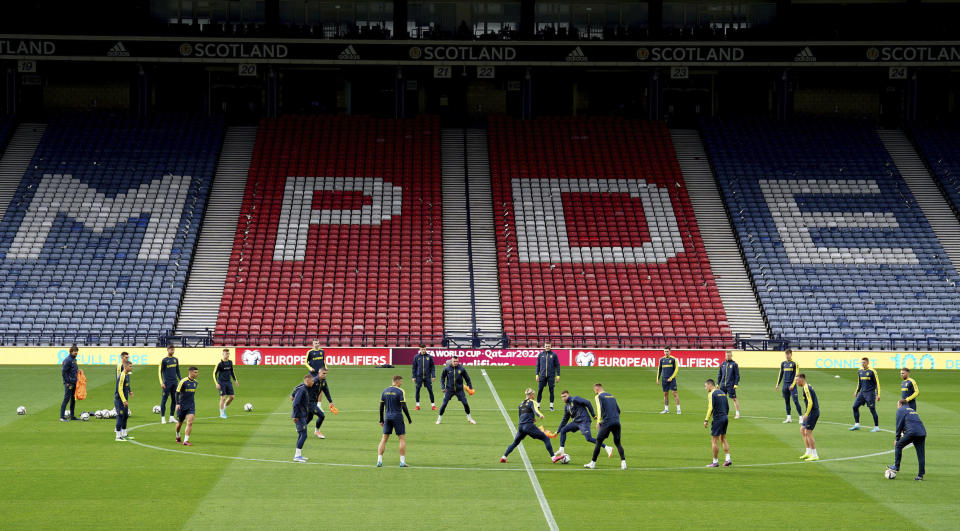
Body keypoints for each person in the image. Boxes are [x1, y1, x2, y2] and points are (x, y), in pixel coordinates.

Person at [500, 388, 556, 463]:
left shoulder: (520, 404)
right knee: (546, 438)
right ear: (531, 395)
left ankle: (504, 457)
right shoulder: (532, 402)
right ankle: (553, 457)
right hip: (528, 426)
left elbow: (521, 416)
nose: (534, 396)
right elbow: (535, 410)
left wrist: (532, 418)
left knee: (515, 443)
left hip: (521, 426)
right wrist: (540, 415)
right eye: (533, 394)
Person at [555, 390, 612, 459]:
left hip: (584, 421)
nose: (563, 398)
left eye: (565, 396)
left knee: (589, 438)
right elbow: (564, 420)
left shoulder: (575, 399)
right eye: (562, 397)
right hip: (576, 422)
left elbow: (588, 403)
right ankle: (561, 450)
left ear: (568, 395)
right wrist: (557, 431)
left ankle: (607, 447)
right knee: (563, 430)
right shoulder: (567, 406)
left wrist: (593, 415)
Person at [584, 383, 627, 470]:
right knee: (618, 442)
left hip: (607, 422)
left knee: (598, 442)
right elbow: (618, 410)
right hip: (616, 422)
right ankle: (623, 463)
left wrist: (598, 422)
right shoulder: (612, 396)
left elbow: (599, 409)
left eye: (594, 391)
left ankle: (592, 463)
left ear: (596, 389)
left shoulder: (598, 396)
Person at [378, 374, 413, 467]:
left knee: (384, 439)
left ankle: (379, 461)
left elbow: (381, 407)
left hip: (387, 417)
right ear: (397, 381)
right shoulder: (400, 391)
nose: (401, 383)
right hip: (397, 417)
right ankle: (402, 462)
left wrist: (381, 420)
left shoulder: (384, 391)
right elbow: (404, 406)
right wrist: (409, 418)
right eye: (401, 381)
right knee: (402, 439)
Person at [291, 367, 336, 439]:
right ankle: (317, 431)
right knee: (322, 415)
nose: (325, 375)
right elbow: (301, 385)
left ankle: (300, 428)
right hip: (309, 402)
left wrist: (330, 402)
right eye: (323, 373)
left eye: (325, 374)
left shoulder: (323, 382)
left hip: (314, 402)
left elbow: (326, 391)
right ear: (319, 373)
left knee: (310, 417)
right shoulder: (313, 380)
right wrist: (293, 394)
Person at [888, 399, 926, 481]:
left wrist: (897, 439)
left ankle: (896, 466)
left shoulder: (900, 410)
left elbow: (899, 425)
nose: (897, 407)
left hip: (912, 432)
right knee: (921, 455)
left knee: (898, 445)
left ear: (900, 404)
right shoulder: (912, 410)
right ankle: (920, 475)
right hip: (922, 432)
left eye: (897, 405)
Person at [437, 357, 476, 424]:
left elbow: (467, 379)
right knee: (444, 404)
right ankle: (439, 419)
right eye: (454, 361)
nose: (456, 363)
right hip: (449, 390)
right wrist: (443, 387)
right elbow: (442, 378)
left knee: (465, 404)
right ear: (451, 361)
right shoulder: (447, 369)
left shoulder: (461, 369)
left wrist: (470, 388)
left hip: (459, 390)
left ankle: (469, 418)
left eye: (457, 361)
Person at [703, 379, 731, 467]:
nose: (705, 388)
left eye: (705, 386)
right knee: (723, 439)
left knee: (714, 440)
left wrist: (706, 420)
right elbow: (727, 407)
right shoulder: (722, 392)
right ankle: (728, 459)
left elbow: (710, 407)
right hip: (725, 418)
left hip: (718, 419)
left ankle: (715, 462)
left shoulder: (711, 394)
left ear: (710, 385)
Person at [850, 357, 880, 432]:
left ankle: (876, 427)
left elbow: (877, 383)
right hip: (862, 393)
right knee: (854, 407)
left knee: (872, 409)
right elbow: (859, 383)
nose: (863, 364)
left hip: (870, 394)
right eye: (862, 362)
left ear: (868, 363)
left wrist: (878, 394)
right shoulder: (860, 371)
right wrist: (856, 391)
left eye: (864, 362)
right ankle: (857, 424)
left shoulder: (872, 371)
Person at [292, 373, 315, 463]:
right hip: (299, 416)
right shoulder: (302, 390)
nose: (313, 382)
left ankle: (298, 455)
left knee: (302, 434)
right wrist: (296, 416)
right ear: (307, 380)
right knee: (304, 435)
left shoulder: (305, 389)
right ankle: (297, 456)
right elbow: (295, 403)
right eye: (312, 381)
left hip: (302, 415)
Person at [775, 348, 802, 423]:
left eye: (788, 354)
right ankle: (788, 418)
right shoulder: (783, 363)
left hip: (792, 386)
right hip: (785, 385)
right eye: (786, 354)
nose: (787, 356)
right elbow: (780, 374)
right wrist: (777, 384)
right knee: (787, 401)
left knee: (795, 401)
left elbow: (796, 375)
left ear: (791, 354)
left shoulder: (794, 363)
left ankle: (800, 417)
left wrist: (793, 385)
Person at [796, 373, 819, 461]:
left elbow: (810, 402)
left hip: (812, 412)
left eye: (797, 380)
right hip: (810, 412)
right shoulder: (807, 386)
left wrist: (806, 414)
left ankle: (815, 455)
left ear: (802, 380)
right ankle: (808, 452)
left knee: (808, 433)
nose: (796, 382)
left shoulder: (806, 388)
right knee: (802, 430)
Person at [175, 366, 199, 446]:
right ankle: (177, 435)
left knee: (190, 422)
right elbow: (177, 393)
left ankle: (186, 440)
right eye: (195, 372)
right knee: (179, 424)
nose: (197, 374)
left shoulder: (195, 383)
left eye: (197, 372)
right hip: (181, 406)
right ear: (190, 372)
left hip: (191, 406)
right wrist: (177, 403)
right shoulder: (183, 381)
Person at [536, 341, 561, 411]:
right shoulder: (540, 354)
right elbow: (538, 365)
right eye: (546, 346)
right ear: (544, 346)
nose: (547, 347)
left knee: (551, 391)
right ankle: (538, 406)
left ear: (550, 346)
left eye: (548, 346)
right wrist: (537, 374)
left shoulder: (554, 355)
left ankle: (551, 406)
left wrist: (558, 375)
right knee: (540, 390)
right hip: (542, 375)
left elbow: (557, 366)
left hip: (551, 376)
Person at [159, 345, 181, 424]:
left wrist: (181, 380)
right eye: (171, 350)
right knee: (164, 400)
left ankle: (171, 417)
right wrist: (162, 382)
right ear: (167, 350)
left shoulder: (175, 360)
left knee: (174, 400)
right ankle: (163, 417)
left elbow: (177, 370)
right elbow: (160, 372)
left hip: (174, 382)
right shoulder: (164, 360)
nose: (173, 351)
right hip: (166, 383)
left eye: (173, 350)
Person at [214, 348, 238, 419]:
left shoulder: (230, 362)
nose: (227, 355)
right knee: (223, 398)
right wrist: (216, 383)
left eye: (228, 353)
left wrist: (235, 380)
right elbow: (214, 373)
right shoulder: (220, 363)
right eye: (225, 353)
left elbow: (232, 371)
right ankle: (221, 413)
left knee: (232, 397)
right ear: (223, 354)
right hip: (221, 383)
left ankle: (223, 408)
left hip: (228, 382)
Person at [411, 344, 436, 410]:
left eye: (424, 349)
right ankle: (417, 406)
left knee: (430, 391)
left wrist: (433, 376)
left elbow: (432, 367)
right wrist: (413, 376)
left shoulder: (429, 357)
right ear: (420, 349)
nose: (423, 350)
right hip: (419, 377)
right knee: (417, 391)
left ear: (426, 349)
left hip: (427, 377)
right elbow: (414, 367)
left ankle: (433, 406)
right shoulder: (416, 357)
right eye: (422, 349)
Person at [716, 351, 740, 419]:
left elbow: (737, 375)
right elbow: (720, 374)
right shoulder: (722, 364)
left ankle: (737, 413)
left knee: (734, 399)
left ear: (731, 356)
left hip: (731, 385)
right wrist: (718, 383)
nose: (727, 357)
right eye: (726, 356)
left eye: (729, 356)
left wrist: (736, 384)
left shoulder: (734, 364)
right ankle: (722, 413)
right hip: (723, 385)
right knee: (721, 399)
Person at [656, 348, 681, 414]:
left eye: (667, 351)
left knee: (674, 393)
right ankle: (666, 409)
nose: (666, 352)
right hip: (664, 379)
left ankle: (678, 409)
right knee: (665, 394)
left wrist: (671, 377)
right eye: (665, 351)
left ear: (670, 351)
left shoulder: (673, 359)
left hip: (672, 380)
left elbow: (676, 369)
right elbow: (659, 370)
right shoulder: (661, 360)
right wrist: (657, 379)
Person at [115, 360, 134, 441]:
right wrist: (123, 400)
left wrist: (130, 391)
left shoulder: (127, 375)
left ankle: (124, 434)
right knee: (120, 416)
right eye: (130, 366)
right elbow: (119, 389)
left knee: (125, 416)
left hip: (124, 400)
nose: (131, 367)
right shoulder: (122, 375)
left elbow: (126, 385)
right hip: (119, 400)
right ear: (125, 367)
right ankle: (118, 436)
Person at [60, 345, 79, 421]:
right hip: (69, 383)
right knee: (66, 399)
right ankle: (62, 417)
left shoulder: (74, 360)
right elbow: (63, 372)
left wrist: (78, 372)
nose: (76, 352)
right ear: (71, 352)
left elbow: (72, 371)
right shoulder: (68, 360)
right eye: (75, 351)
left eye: (77, 351)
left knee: (73, 400)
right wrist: (67, 382)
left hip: (74, 382)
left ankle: (72, 416)